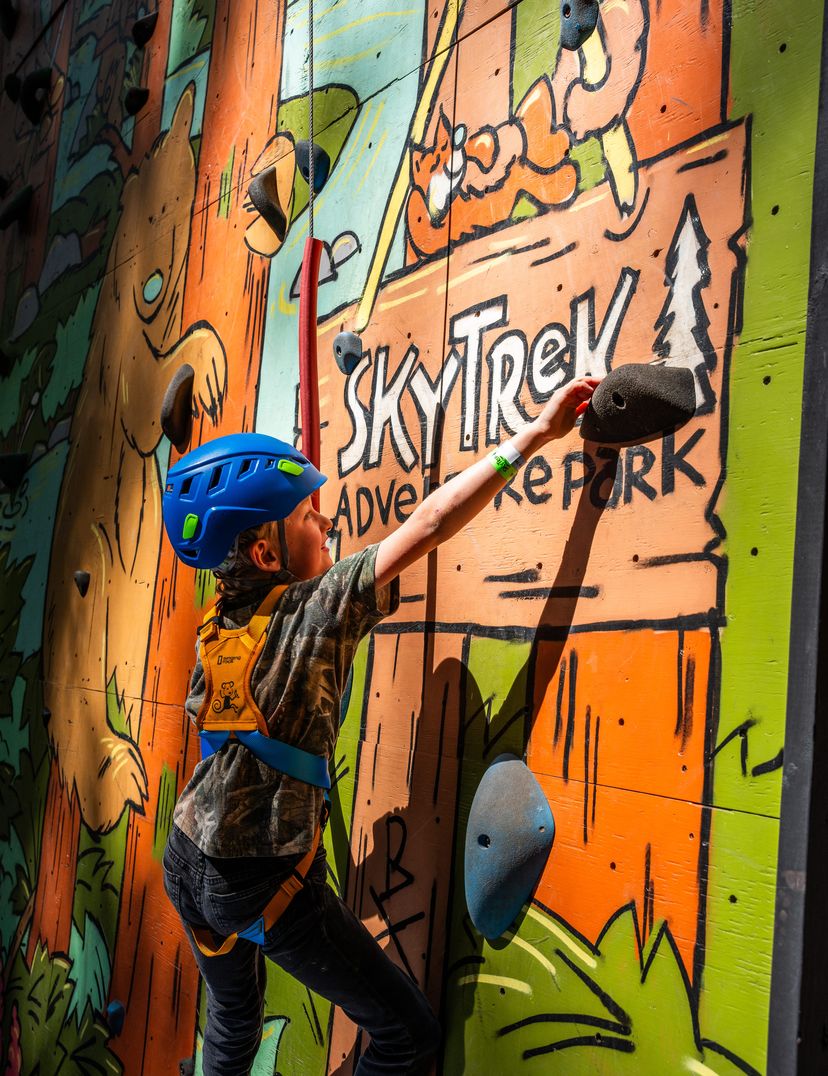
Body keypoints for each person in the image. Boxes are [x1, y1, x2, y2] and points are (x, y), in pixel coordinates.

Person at [160, 375, 599, 1075]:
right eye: (310, 515)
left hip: (187, 861)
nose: (328, 524)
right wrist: (536, 437)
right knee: (403, 1037)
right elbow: (428, 524)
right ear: (269, 554)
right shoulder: (320, 606)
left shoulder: (219, 621)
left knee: (233, 1026)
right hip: (262, 885)